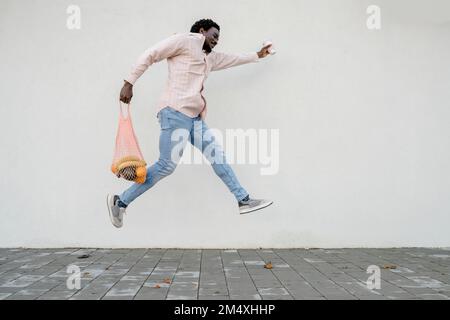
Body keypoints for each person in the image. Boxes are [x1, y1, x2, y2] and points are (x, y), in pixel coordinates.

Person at [107, 19, 273, 228]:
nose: (216, 41)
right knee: (166, 166)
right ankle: (120, 201)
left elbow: (233, 58)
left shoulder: (209, 58)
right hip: (175, 112)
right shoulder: (185, 41)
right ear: (202, 31)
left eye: (218, 38)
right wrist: (129, 82)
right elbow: (151, 54)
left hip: (194, 119)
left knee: (217, 155)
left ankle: (243, 200)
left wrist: (258, 54)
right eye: (214, 36)